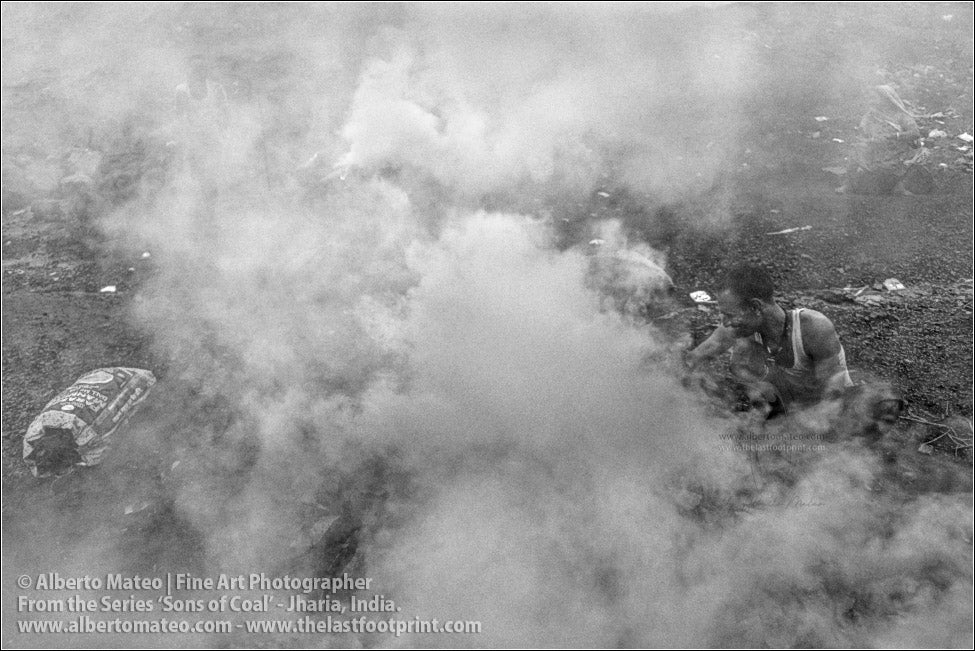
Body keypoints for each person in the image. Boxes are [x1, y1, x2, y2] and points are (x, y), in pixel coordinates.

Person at [684, 265, 853, 415]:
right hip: (792, 410)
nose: (725, 322)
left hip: (835, 414)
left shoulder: (814, 328)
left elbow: (833, 394)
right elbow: (696, 357)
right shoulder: (741, 328)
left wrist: (800, 429)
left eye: (730, 315)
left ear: (756, 307)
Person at [836, 84, 933, 195]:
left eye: (874, 98)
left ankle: (899, 187)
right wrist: (870, 140)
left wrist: (893, 136)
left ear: (885, 99)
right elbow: (863, 133)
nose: (871, 101)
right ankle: (849, 184)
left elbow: (915, 133)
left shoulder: (900, 115)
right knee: (856, 149)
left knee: (909, 160)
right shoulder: (871, 115)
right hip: (876, 150)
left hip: (897, 151)